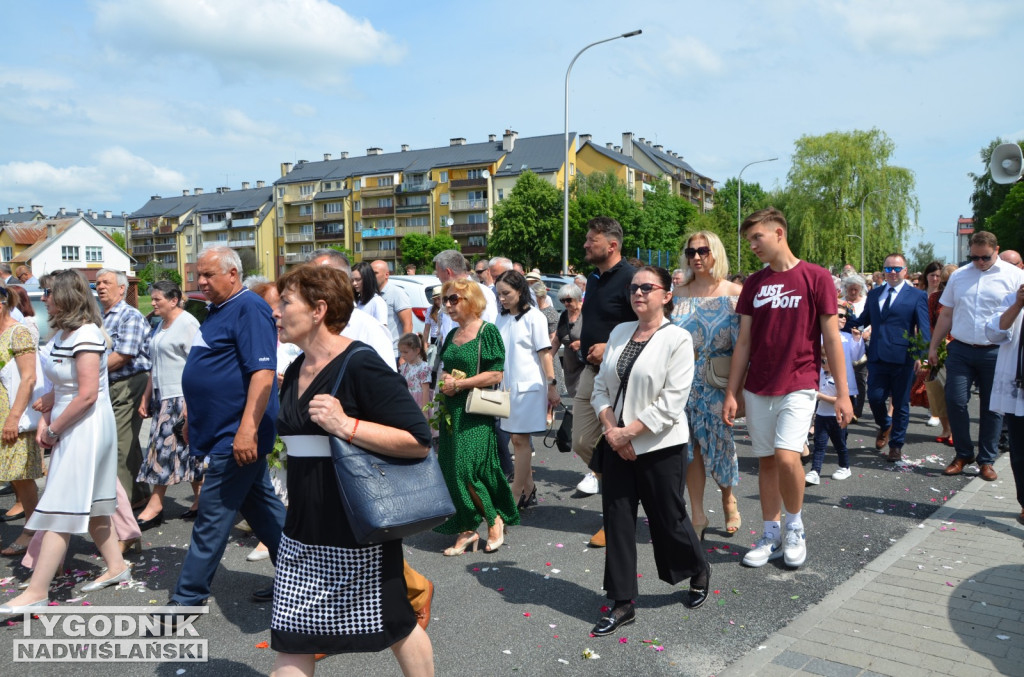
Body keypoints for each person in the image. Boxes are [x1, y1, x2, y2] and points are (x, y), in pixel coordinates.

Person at [267, 264, 433, 676]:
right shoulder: (293, 373)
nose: (276, 311)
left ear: (318, 309)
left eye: (286, 302)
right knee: (292, 634)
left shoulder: (360, 363)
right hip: (303, 526)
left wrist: (347, 426)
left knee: (396, 622)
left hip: (357, 524)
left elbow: (418, 439)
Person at [309, 250, 435, 631]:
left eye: (321, 278)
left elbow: (387, 397)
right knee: (330, 543)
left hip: (355, 451)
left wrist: (349, 426)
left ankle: (410, 593)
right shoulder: (304, 329)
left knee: (364, 537)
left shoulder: (365, 328)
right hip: (313, 454)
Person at [724, 208, 852, 570]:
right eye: (748, 240)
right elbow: (744, 343)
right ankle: (770, 532)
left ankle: (794, 527)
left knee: (786, 456)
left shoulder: (816, 276)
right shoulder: (753, 284)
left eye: (757, 238)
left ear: (779, 233)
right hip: (758, 385)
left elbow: (831, 337)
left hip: (799, 381)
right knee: (765, 461)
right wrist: (733, 393)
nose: (752, 246)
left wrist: (842, 393)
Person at [0, 270, 131, 613]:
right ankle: (117, 566)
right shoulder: (62, 333)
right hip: (70, 424)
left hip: (86, 426)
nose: (43, 299)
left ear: (65, 297)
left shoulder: (86, 334)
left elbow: (87, 395)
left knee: (60, 507)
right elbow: (57, 386)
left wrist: (54, 429)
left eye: (48, 293)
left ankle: (37, 591)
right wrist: (48, 419)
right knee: (94, 506)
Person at [589, 266, 709, 637]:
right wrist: (613, 432)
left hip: (659, 445)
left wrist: (630, 435)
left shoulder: (677, 339)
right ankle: (622, 602)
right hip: (616, 442)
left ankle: (698, 568)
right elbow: (600, 390)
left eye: (647, 287)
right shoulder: (620, 332)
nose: (638, 293)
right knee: (618, 520)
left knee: (668, 518)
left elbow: (672, 402)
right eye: (633, 288)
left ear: (666, 295)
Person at [165, 246, 285, 613]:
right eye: (198, 275)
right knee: (264, 511)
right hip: (220, 431)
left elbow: (263, 373)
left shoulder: (249, 307)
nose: (200, 282)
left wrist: (246, 429)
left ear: (232, 274)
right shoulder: (217, 309)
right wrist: (192, 420)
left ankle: (187, 599)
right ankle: (308, 578)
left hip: (236, 435)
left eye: (208, 275)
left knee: (212, 516)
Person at [930, 232, 1024, 481]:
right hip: (960, 347)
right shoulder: (960, 276)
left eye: (985, 257)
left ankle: (986, 460)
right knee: (955, 400)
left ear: (997, 250)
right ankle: (963, 454)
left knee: (993, 408)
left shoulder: (1015, 276)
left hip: (997, 351)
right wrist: (933, 346)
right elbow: (946, 314)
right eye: (974, 257)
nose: (980, 262)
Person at [434, 277, 518, 555]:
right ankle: (468, 529)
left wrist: (460, 384)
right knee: (451, 470)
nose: (447, 305)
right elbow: (446, 367)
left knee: (467, 470)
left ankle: (493, 520)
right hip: (451, 412)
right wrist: (447, 379)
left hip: (475, 411)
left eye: (453, 299)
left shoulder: (487, 332)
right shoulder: (451, 334)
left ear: (471, 301)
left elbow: (496, 373)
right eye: (445, 300)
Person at [671, 231, 744, 538]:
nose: (697, 257)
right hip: (682, 381)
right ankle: (697, 514)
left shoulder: (735, 293)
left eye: (703, 251)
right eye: (691, 252)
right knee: (690, 449)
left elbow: (743, 346)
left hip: (717, 381)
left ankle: (728, 497)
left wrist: (735, 392)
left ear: (716, 252)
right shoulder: (678, 293)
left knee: (720, 445)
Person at [573, 217, 638, 548]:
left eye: (591, 240)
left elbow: (647, 328)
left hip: (621, 377)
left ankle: (615, 519)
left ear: (612, 245)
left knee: (615, 445)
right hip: (590, 373)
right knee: (582, 440)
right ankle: (627, 489)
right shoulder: (594, 279)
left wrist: (610, 348)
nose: (585, 244)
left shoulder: (632, 280)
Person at [847, 253, 930, 463]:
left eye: (897, 269)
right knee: (874, 398)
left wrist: (924, 355)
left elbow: (924, 328)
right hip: (877, 355)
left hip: (903, 358)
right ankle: (885, 424)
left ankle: (896, 445)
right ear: (884, 270)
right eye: (889, 269)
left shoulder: (916, 295)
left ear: (905, 271)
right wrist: (841, 321)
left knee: (901, 403)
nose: (893, 273)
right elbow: (863, 319)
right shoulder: (875, 295)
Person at [135, 280, 203, 530]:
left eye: (157, 299)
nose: (152, 303)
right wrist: (145, 396)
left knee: (161, 449)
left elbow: (197, 364)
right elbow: (155, 363)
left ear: (173, 300)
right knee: (188, 449)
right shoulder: (161, 325)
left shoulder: (187, 323)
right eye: (152, 299)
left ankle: (155, 504)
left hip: (181, 396)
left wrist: (192, 400)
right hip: (163, 395)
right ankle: (201, 499)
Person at [495, 270, 559, 509]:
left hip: (530, 388)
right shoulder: (500, 318)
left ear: (520, 291)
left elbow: (545, 354)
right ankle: (529, 488)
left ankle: (515, 493)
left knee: (520, 441)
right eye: (499, 293)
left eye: (506, 293)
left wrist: (552, 385)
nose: (501, 298)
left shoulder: (535, 317)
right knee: (515, 439)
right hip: (506, 388)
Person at [95, 268, 152, 508]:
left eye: (106, 282)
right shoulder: (99, 316)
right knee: (125, 442)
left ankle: (123, 506)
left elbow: (123, 355)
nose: (100, 286)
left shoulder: (130, 315)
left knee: (118, 443)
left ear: (121, 288)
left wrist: (89, 372)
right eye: (97, 283)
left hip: (129, 383)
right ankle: (139, 495)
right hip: (108, 384)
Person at [0, 285, 42, 555]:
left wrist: (13, 418)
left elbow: (29, 378)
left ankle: (32, 529)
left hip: (12, 415)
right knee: (9, 475)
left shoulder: (19, 331)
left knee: (21, 476)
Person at [806, 302, 864, 484]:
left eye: (841, 316)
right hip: (822, 395)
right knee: (820, 443)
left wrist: (857, 339)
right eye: (835, 314)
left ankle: (844, 465)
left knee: (840, 441)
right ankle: (815, 471)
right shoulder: (819, 337)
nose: (838, 318)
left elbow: (856, 356)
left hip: (844, 387)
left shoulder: (847, 337)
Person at [986, 280, 1024, 525]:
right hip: (1018, 386)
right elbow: (995, 332)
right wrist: (1019, 303)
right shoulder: (1012, 299)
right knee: (1020, 453)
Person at [840, 274, 870, 420]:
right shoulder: (841, 303)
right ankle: (848, 408)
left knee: (860, 377)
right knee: (845, 376)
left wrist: (867, 332)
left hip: (863, 340)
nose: (853, 293)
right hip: (844, 341)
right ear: (845, 289)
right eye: (850, 289)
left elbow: (872, 320)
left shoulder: (866, 301)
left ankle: (857, 412)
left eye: (856, 290)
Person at [371, 260, 413, 358]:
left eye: (375, 273)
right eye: (370, 273)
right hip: (375, 353)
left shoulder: (397, 293)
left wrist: (404, 355)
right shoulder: (371, 295)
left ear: (386, 275)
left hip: (393, 354)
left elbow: (408, 325)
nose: (371, 277)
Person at [553, 283, 584, 399]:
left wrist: (581, 343)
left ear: (577, 298)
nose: (566, 304)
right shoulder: (564, 315)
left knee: (581, 397)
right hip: (570, 366)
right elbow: (557, 339)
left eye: (568, 300)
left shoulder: (587, 312)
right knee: (574, 398)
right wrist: (547, 356)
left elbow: (598, 336)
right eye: (562, 301)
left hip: (585, 365)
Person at [398, 333, 431, 411]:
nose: (402, 355)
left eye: (405, 352)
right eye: (401, 352)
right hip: (406, 403)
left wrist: (425, 412)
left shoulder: (423, 367)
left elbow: (426, 390)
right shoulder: (404, 367)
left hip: (418, 405)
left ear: (417, 350)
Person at [351, 261, 389, 328]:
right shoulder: (357, 301)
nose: (354, 283)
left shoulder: (377, 302)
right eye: (352, 280)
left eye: (358, 279)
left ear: (367, 279)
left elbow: (382, 331)